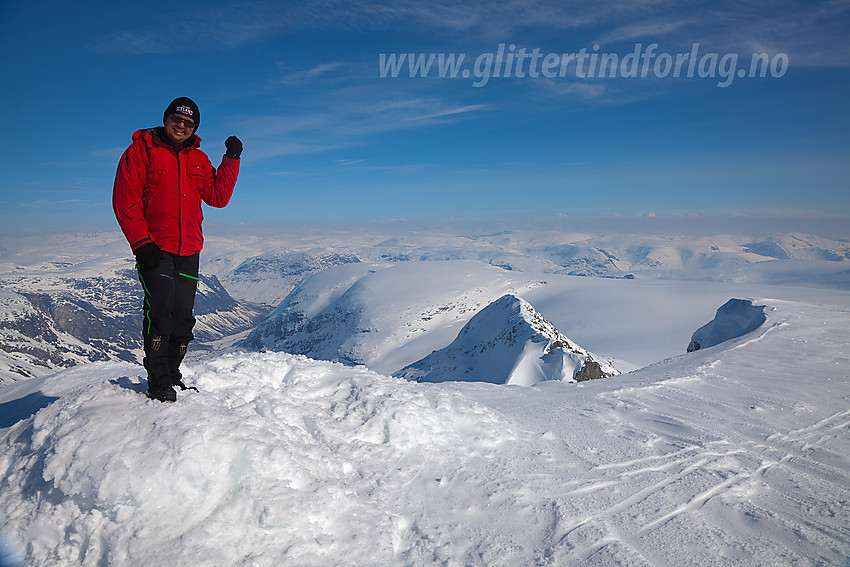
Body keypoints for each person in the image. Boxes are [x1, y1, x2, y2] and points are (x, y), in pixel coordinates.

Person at [112, 97, 242, 402]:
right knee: (161, 314)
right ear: (166, 119)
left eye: (188, 123)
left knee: (183, 320)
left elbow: (217, 196)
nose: (181, 125)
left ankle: (172, 375)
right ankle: (157, 381)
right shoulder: (140, 151)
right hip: (154, 248)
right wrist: (141, 243)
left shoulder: (198, 159)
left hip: (189, 249)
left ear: (194, 127)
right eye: (176, 119)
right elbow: (125, 200)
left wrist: (232, 159)